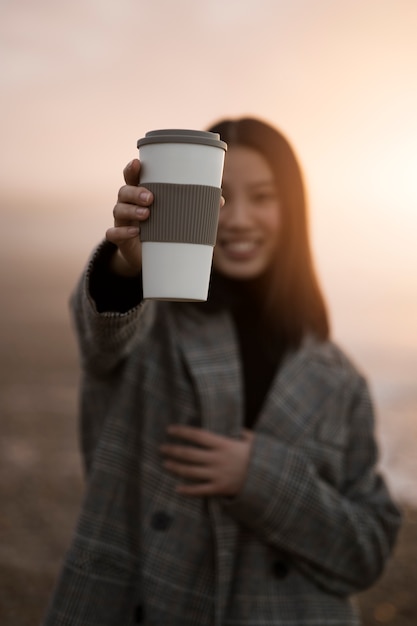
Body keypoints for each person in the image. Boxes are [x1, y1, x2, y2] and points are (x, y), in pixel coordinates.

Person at [43, 117, 401, 626]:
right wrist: (129, 269)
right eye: (220, 196)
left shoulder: (340, 379)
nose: (237, 219)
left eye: (263, 196)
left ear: (293, 210)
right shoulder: (154, 322)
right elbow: (103, 337)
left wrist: (261, 478)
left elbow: (367, 550)